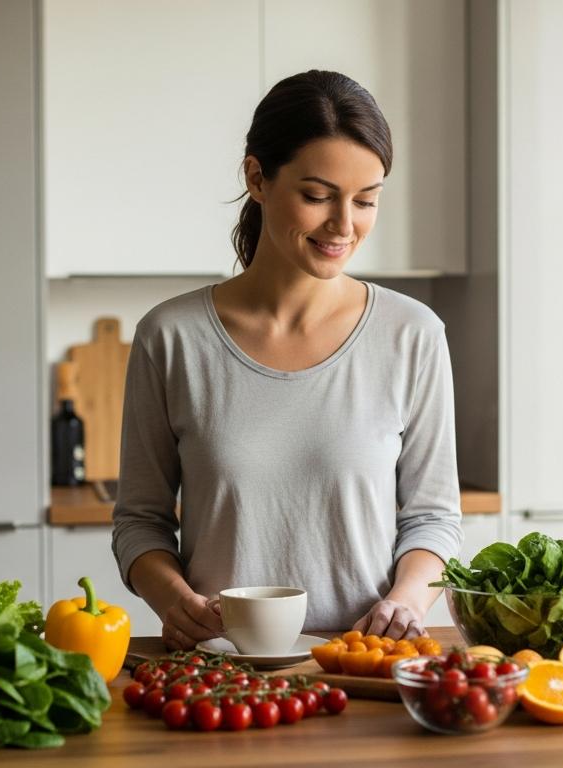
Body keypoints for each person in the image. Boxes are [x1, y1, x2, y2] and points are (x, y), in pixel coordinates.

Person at [111, 70, 462, 650]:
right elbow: (140, 522)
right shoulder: (170, 338)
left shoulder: (412, 335)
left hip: (361, 664)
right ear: (257, 178)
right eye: (317, 196)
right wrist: (172, 598)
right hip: (221, 672)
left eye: (366, 200)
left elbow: (433, 518)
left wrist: (406, 599)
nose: (344, 226)